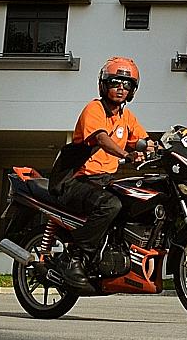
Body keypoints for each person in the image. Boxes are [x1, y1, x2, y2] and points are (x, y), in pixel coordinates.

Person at [54, 56, 154, 285]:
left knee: (134, 201)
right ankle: (73, 256)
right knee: (111, 204)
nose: (120, 88)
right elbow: (101, 138)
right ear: (104, 84)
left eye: (126, 85)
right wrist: (127, 155)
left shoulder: (126, 116)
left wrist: (162, 148)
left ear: (132, 90)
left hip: (103, 181)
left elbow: (144, 139)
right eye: (115, 82)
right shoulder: (94, 108)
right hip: (77, 180)